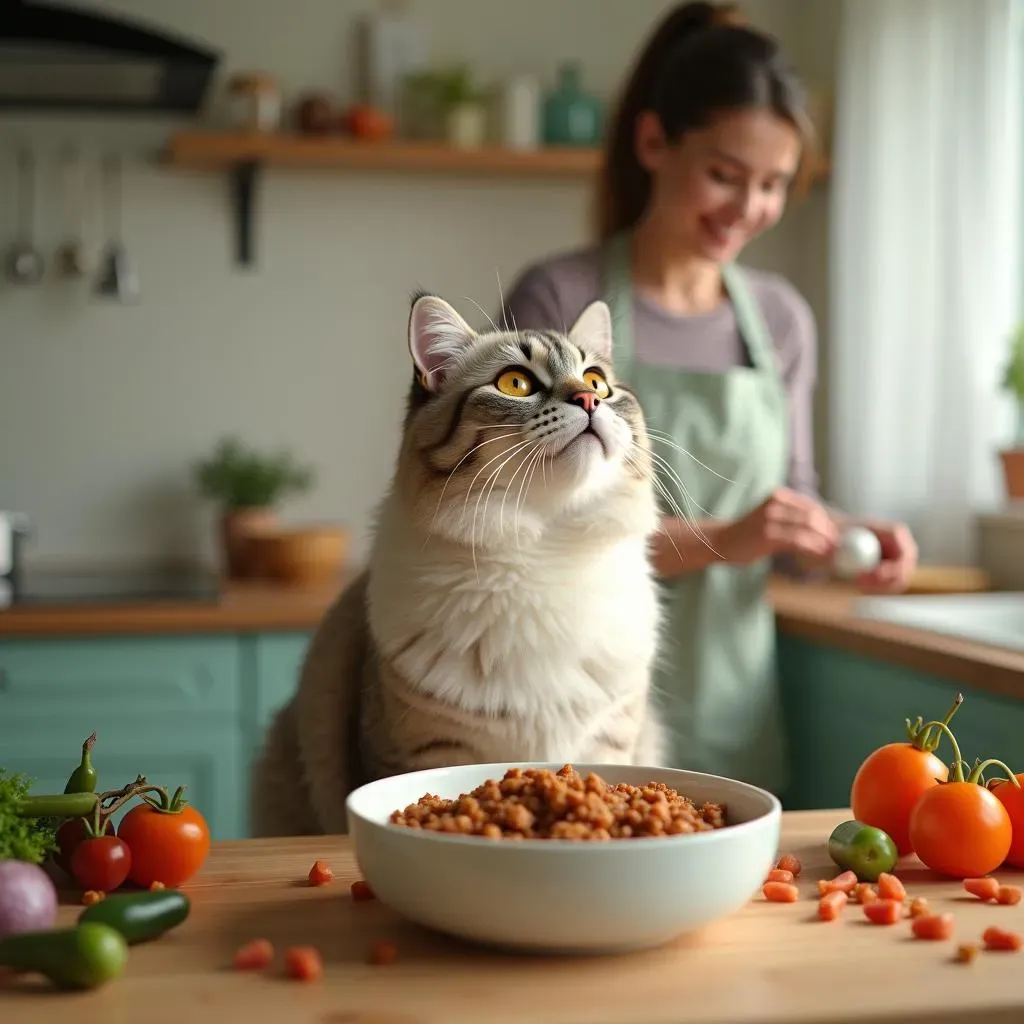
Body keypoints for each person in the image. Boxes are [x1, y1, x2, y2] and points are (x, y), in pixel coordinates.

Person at [500, 1, 918, 796]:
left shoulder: (782, 321)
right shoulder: (562, 296)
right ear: (654, 142)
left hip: (734, 707)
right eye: (726, 174)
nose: (748, 208)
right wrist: (735, 534)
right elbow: (534, 538)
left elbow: (789, 513)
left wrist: (845, 536)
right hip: (576, 703)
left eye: (773, 185)